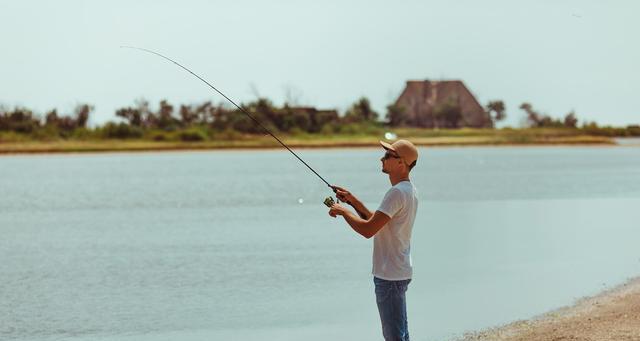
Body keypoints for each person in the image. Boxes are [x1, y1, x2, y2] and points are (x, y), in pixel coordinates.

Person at [328, 139, 419, 341]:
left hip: (390, 276)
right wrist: (352, 200)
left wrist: (343, 211)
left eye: (388, 155)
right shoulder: (408, 190)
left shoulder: (396, 193)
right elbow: (376, 222)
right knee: (400, 334)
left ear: (400, 163)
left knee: (394, 336)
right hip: (397, 272)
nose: (382, 158)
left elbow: (368, 230)